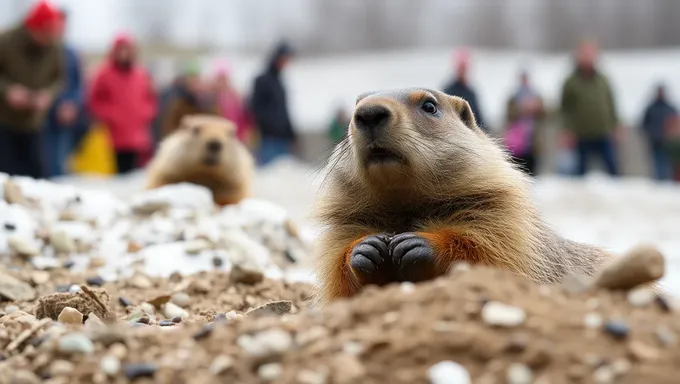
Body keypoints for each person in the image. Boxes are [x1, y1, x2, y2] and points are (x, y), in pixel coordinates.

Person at [0, 0, 65, 179]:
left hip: (34, 124)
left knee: (38, 178)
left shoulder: (54, 46)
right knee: (6, 178)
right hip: (4, 123)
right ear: (34, 28)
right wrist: (8, 91)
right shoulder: (6, 41)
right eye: (45, 33)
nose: (48, 38)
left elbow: (58, 78)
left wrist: (48, 95)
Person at [87, 33, 157, 174]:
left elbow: (151, 99)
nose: (125, 54)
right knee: (117, 173)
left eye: (128, 50)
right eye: (122, 49)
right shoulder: (104, 74)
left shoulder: (141, 74)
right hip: (113, 136)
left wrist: (145, 113)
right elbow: (94, 100)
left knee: (136, 174)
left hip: (138, 136)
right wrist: (111, 115)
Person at [560, 40, 621, 177]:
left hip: (603, 132)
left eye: (591, 53)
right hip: (581, 134)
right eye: (584, 54)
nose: (588, 57)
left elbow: (611, 104)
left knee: (613, 168)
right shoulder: (571, 82)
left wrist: (616, 125)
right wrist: (566, 131)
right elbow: (564, 109)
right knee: (579, 171)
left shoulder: (603, 80)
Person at [43, 8, 85, 178]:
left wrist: (72, 104)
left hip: (63, 118)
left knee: (59, 162)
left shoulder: (71, 54)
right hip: (42, 114)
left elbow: (78, 84)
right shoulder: (42, 51)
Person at [250, 41, 297, 166]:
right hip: (268, 139)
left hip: (283, 139)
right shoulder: (262, 80)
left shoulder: (279, 81)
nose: (286, 62)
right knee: (268, 174)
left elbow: (284, 110)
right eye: (285, 58)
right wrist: (270, 126)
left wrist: (291, 133)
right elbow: (255, 108)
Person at [503, 70, 546, 176]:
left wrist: (536, 108)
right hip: (517, 145)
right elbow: (508, 115)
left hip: (533, 143)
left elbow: (544, 115)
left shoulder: (536, 97)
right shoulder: (513, 98)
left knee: (533, 173)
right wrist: (521, 108)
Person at [160, 62, 218, 138]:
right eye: (192, 78)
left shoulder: (210, 104)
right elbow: (168, 125)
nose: (195, 82)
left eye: (197, 78)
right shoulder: (178, 102)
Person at [442, 48, 488, 132]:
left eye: (465, 69)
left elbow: (479, 117)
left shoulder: (471, 91)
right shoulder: (449, 91)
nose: (464, 71)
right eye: (461, 68)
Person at [211, 61, 253, 146]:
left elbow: (244, 117)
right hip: (216, 137)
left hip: (234, 137)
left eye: (224, 77)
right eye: (220, 77)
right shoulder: (210, 95)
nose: (222, 81)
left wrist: (246, 133)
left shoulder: (236, 95)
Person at [641, 84, 677, 181]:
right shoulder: (651, 108)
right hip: (655, 141)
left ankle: (666, 181)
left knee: (667, 163)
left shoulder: (670, 108)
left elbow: (675, 123)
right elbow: (643, 123)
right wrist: (650, 133)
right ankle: (659, 181)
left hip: (668, 142)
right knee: (656, 162)